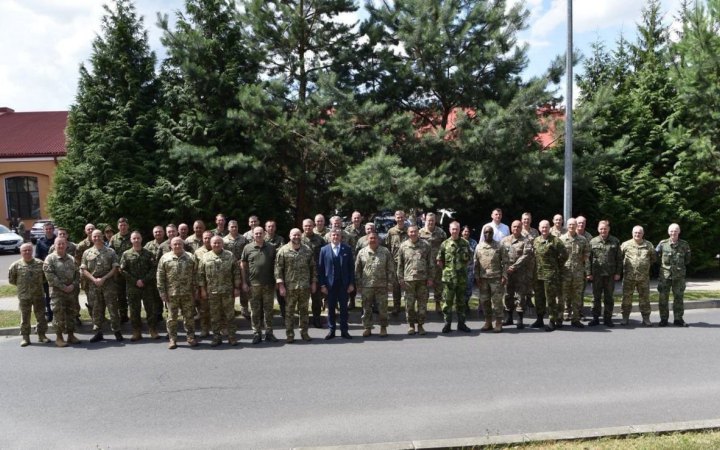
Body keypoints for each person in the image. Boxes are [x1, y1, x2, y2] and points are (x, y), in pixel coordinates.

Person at [275, 228, 317, 343]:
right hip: (290, 287)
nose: (296, 237)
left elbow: (313, 268)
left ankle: (304, 333)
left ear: (301, 236)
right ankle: (289, 334)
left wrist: (313, 282)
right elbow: (278, 269)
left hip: (304, 287)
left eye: (298, 235)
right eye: (294, 235)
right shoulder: (283, 251)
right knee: (289, 312)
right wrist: (281, 286)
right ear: (289, 236)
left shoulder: (307, 250)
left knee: (304, 311)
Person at [199, 236, 241, 346]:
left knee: (230, 315)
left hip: (227, 291)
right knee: (214, 316)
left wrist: (236, 288)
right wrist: (203, 290)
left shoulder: (230, 255)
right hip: (212, 292)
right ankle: (216, 337)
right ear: (210, 244)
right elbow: (201, 275)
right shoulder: (205, 256)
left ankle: (232, 337)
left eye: (219, 243)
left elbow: (236, 272)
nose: (216, 245)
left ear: (222, 244)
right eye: (214, 243)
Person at [82, 229, 123, 343]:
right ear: (91, 238)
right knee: (96, 309)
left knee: (113, 308)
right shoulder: (87, 253)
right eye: (94, 236)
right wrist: (94, 279)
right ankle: (98, 332)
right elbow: (84, 269)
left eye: (99, 236)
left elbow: (115, 268)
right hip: (94, 284)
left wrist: (104, 278)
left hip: (108, 283)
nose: (97, 238)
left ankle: (117, 331)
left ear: (102, 237)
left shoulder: (110, 252)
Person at [157, 237, 198, 349]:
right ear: (171, 245)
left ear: (183, 244)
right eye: (174, 244)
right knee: (172, 318)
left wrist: (196, 290)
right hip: (171, 294)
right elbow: (160, 276)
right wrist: (162, 292)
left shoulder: (190, 257)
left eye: (179, 244)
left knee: (189, 316)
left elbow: (196, 275)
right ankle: (172, 339)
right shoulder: (165, 258)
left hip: (188, 293)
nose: (177, 246)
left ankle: (190, 337)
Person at [241, 226, 278, 344]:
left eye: (260, 233)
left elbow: (276, 266)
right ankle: (256, 333)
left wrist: (277, 281)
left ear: (264, 234)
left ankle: (269, 333)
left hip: (268, 284)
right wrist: (244, 282)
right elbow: (243, 265)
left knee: (268, 310)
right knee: (255, 310)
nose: (258, 235)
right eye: (256, 233)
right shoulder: (247, 248)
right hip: (253, 285)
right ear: (253, 235)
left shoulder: (271, 248)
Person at [355, 231, 395, 337]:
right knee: (366, 308)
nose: (373, 240)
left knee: (383, 308)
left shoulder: (385, 251)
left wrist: (390, 283)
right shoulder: (362, 252)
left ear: (378, 239)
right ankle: (367, 328)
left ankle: (383, 327)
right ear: (367, 240)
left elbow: (390, 268)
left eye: (375, 238)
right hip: (366, 285)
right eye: (371, 238)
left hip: (382, 285)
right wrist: (358, 284)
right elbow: (357, 270)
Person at [119, 231, 158, 341]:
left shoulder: (148, 253)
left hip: (147, 286)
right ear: (131, 240)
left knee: (150, 308)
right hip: (133, 286)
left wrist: (144, 280)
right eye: (134, 238)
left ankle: (152, 329)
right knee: (134, 310)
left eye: (138, 238)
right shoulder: (126, 254)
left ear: (141, 239)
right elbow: (122, 270)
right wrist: (135, 281)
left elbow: (154, 268)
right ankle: (136, 331)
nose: (136, 240)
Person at [9, 243, 50, 346]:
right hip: (24, 296)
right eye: (24, 250)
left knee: (41, 316)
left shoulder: (40, 263)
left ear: (32, 251)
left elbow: (45, 278)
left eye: (29, 250)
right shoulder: (15, 266)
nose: (27, 252)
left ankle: (42, 335)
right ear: (21, 252)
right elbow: (12, 280)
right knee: (25, 318)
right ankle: (25, 338)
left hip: (38, 295)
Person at [317, 229, 355, 339]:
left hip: (344, 285)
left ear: (341, 237)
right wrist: (323, 285)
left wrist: (351, 283)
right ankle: (332, 331)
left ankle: (344, 331)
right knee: (331, 309)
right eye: (333, 235)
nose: (335, 237)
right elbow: (321, 269)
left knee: (344, 309)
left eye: (337, 235)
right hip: (330, 285)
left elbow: (351, 268)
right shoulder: (324, 250)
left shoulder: (347, 249)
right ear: (330, 237)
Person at [43, 238, 80, 347]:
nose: (61, 246)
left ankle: (71, 335)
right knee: (58, 315)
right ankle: (59, 338)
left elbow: (77, 274)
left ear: (66, 245)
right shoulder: (50, 259)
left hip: (71, 291)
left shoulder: (71, 258)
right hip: (57, 292)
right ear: (54, 245)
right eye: (59, 244)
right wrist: (63, 287)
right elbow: (50, 276)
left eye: (63, 244)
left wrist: (73, 285)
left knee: (71, 313)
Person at [436, 221, 473, 333]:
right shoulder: (445, 244)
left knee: (461, 302)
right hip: (449, 279)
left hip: (461, 278)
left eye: (456, 229)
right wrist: (448, 271)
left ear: (459, 230)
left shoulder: (465, 243)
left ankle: (461, 324)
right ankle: (447, 324)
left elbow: (469, 259)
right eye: (453, 229)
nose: (455, 231)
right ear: (449, 230)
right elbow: (439, 260)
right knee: (447, 303)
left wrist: (461, 269)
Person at [531, 220, 568, 331]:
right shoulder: (536, 240)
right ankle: (540, 319)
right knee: (539, 298)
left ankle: (552, 320)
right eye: (542, 227)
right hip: (538, 274)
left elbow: (564, 255)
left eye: (546, 227)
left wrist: (557, 266)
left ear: (549, 228)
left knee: (551, 299)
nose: (544, 229)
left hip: (550, 274)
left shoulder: (556, 241)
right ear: (539, 228)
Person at [398, 225, 434, 335]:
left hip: (422, 280)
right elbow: (400, 264)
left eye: (415, 231)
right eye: (411, 232)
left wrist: (430, 277)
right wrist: (400, 279)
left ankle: (421, 325)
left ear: (418, 232)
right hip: (409, 280)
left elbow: (430, 263)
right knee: (409, 304)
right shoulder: (403, 246)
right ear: (408, 233)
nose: (413, 233)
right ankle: (411, 325)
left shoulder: (426, 245)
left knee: (422, 304)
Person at [586, 220, 622, 327]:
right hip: (596, 275)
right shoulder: (593, 242)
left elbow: (619, 259)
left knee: (609, 297)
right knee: (595, 297)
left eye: (605, 228)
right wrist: (589, 273)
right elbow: (588, 259)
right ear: (598, 229)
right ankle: (595, 318)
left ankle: (608, 319)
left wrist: (618, 273)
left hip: (610, 275)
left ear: (608, 229)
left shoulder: (615, 241)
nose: (603, 231)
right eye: (601, 229)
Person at [474, 226, 509, 333]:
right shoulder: (479, 246)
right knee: (485, 301)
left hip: (496, 279)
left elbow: (506, 262)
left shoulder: (499, 246)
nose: (488, 234)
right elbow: (476, 263)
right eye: (486, 232)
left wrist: (504, 276)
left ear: (493, 233)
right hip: (483, 279)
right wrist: (477, 277)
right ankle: (488, 321)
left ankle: (498, 322)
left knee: (497, 301)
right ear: (483, 233)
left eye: (490, 232)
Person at [620, 226, 656, 326]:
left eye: (639, 233)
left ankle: (646, 319)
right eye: (635, 232)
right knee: (626, 298)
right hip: (629, 277)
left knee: (645, 298)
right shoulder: (625, 245)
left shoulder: (648, 245)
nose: (637, 234)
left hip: (643, 278)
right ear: (632, 233)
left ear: (643, 234)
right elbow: (619, 258)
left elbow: (653, 258)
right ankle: (625, 318)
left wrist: (644, 266)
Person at [656, 223, 691, 327]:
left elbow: (687, 260)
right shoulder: (662, 244)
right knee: (663, 298)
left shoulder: (684, 244)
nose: (673, 233)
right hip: (665, 276)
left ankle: (678, 319)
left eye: (675, 231)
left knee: (679, 298)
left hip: (679, 276)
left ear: (679, 232)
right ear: (668, 232)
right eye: (671, 231)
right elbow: (657, 257)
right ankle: (663, 319)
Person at [500, 220, 533, 329]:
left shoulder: (526, 241)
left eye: (518, 227)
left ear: (521, 228)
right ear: (511, 227)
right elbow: (500, 255)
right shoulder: (505, 240)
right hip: (507, 272)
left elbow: (526, 256)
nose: (516, 228)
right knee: (508, 294)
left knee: (520, 295)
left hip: (520, 273)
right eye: (514, 226)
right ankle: (508, 318)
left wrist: (514, 266)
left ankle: (519, 319)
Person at [559, 218, 590, 328]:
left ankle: (576, 319)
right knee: (562, 296)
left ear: (576, 226)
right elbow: (558, 256)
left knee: (577, 297)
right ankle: (559, 319)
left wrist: (580, 264)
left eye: (573, 224)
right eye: (570, 225)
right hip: (565, 273)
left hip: (578, 273)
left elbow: (587, 254)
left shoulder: (583, 240)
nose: (571, 226)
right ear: (567, 226)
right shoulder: (561, 239)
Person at [419, 212, 447, 313]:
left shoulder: (441, 232)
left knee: (438, 284)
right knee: (424, 284)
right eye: (428, 220)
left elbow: (445, 247)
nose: (430, 222)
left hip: (437, 262)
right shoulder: (420, 233)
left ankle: (438, 303)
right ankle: (424, 304)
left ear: (435, 221)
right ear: (425, 221)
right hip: (425, 263)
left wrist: (443, 260)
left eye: (432, 220)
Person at [302, 218, 327, 328]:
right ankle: (303, 320)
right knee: (303, 298)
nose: (308, 228)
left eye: (310, 225)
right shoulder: (299, 238)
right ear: (303, 227)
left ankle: (317, 318)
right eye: (306, 226)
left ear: (313, 226)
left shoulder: (320, 239)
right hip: (302, 273)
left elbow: (325, 256)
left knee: (316, 298)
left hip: (316, 273)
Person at [223, 220, 250, 319]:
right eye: (232, 227)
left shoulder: (243, 239)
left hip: (242, 266)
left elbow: (247, 251)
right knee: (231, 288)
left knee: (244, 288)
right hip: (229, 267)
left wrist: (242, 260)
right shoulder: (224, 240)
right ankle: (231, 309)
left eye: (236, 226)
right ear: (228, 228)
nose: (234, 228)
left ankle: (244, 308)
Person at [109, 217, 132, 323]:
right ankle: (123, 315)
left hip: (131, 270)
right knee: (120, 294)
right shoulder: (113, 238)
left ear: (128, 226)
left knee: (132, 293)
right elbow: (110, 253)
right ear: (118, 226)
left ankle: (134, 314)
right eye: (121, 225)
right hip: (118, 271)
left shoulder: (133, 237)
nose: (123, 227)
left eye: (125, 225)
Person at [386, 210, 409, 315]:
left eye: (401, 217)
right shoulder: (391, 232)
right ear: (395, 218)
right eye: (398, 217)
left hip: (408, 263)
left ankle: (409, 307)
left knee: (408, 285)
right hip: (395, 263)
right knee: (396, 286)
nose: (400, 219)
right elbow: (388, 247)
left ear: (405, 218)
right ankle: (396, 307)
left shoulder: (409, 230)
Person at [194, 230, 215, 337]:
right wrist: (198, 288)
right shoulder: (198, 252)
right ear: (202, 239)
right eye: (205, 238)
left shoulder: (219, 248)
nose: (207, 240)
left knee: (218, 308)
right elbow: (195, 270)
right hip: (203, 285)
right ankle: (204, 329)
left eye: (209, 237)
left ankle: (221, 328)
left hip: (217, 284)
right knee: (203, 309)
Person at [265, 220, 287, 317]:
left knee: (281, 294)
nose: (271, 228)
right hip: (266, 270)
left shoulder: (280, 239)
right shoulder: (263, 238)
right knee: (266, 294)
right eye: (269, 226)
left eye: (273, 226)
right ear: (266, 228)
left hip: (279, 268)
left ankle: (285, 315)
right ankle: (266, 316)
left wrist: (269, 249)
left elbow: (281, 251)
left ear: (275, 228)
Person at [34, 221, 55, 322]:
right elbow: (37, 257)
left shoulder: (57, 239)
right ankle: (49, 313)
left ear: (53, 229)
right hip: (45, 271)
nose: (48, 230)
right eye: (46, 229)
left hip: (58, 270)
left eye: (50, 228)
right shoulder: (40, 242)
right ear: (44, 230)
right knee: (47, 293)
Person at [144, 225, 166, 323]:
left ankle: (164, 315)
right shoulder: (148, 245)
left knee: (165, 295)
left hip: (165, 275)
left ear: (163, 232)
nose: (158, 233)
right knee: (153, 296)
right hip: (152, 275)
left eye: (160, 231)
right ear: (153, 233)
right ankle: (156, 314)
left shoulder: (168, 244)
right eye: (156, 232)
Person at [462, 226, 478, 312]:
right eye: (465, 231)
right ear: (461, 232)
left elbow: (476, 255)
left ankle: (466, 303)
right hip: (460, 269)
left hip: (470, 269)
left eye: (467, 231)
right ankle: (461, 305)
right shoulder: (458, 241)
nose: (466, 233)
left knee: (469, 288)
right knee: (460, 288)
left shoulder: (473, 242)